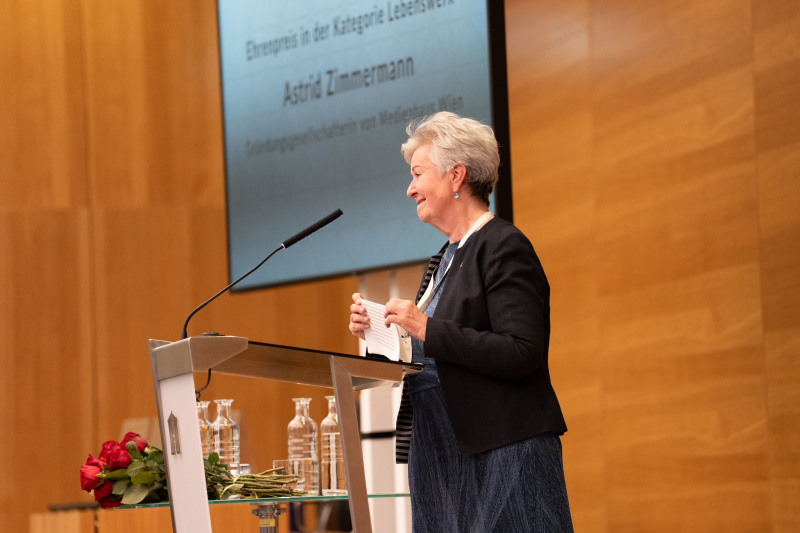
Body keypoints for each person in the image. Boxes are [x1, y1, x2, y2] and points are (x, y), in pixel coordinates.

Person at [348, 111, 573, 532]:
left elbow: (521, 351)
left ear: (456, 176)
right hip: (441, 453)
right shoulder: (442, 260)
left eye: (418, 174)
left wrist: (424, 327)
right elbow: (435, 354)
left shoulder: (504, 245)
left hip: (503, 451)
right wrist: (383, 331)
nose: (410, 188)